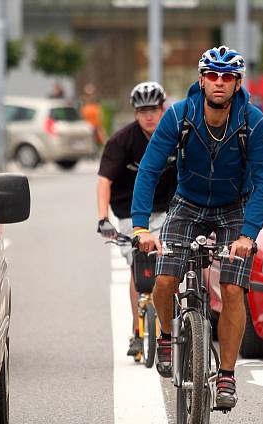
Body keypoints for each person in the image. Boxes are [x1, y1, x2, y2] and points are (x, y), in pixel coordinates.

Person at [131, 46, 263, 410]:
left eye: (227, 77)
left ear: (238, 83)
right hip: (187, 202)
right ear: (201, 79)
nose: (219, 83)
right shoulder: (179, 116)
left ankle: (226, 374)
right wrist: (140, 227)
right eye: (212, 75)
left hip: (234, 208)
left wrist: (249, 235)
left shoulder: (253, 122)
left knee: (231, 289)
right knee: (164, 281)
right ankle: (166, 335)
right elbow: (148, 169)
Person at [96, 81, 176, 358]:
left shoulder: (175, 135)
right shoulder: (121, 141)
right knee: (139, 264)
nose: (149, 116)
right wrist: (103, 218)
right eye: (143, 111)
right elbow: (104, 180)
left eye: (154, 109)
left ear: (164, 109)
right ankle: (139, 330)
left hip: (168, 210)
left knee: (170, 261)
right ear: (135, 113)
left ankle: (171, 323)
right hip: (130, 213)